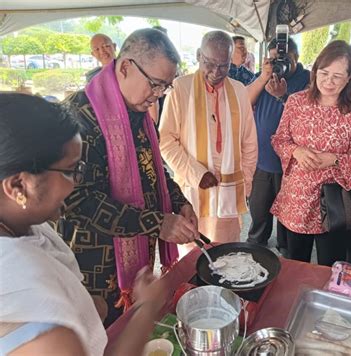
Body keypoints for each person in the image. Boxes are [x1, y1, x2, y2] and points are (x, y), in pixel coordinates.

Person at [0, 93, 173, 356]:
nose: (77, 183)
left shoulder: (19, 227)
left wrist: (86, 305)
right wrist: (147, 307)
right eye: (70, 171)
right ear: (18, 185)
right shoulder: (40, 320)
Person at [61, 28, 199, 326]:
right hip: (95, 265)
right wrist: (157, 222)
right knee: (104, 334)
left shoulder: (134, 109)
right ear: (125, 67)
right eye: (155, 84)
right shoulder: (79, 115)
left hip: (136, 254)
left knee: (133, 325)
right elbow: (79, 200)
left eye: (166, 87)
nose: (159, 95)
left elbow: (153, 168)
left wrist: (178, 200)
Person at [270, 40, 351, 264]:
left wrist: (334, 159)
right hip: (297, 198)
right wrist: (296, 151)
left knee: (330, 265)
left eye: (337, 76)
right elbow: (279, 140)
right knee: (296, 262)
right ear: (315, 71)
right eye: (324, 73)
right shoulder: (297, 102)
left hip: (336, 201)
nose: (328, 81)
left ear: (349, 77)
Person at [159, 31, 258, 255]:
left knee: (225, 255)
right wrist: (196, 173)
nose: (215, 72)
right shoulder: (180, 89)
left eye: (223, 66)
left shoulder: (239, 91)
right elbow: (165, 140)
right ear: (198, 56)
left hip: (228, 193)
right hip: (192, 192)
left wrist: (247, 181)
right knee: (191, 255)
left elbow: (249, 142)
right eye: (209, 63)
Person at [245, 37, 310, 256]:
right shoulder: (264, 76)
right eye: (274, 59)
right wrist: (264, 76)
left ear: (297, 57)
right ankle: (256, 244)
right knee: (259, 211)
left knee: (287, 215)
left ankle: (286, 250)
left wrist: (284, 96)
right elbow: (243, 101)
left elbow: (311, 115)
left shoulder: (307, 79)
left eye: (284, 59)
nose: (279, 64)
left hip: (293, 164)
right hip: (262, 159)